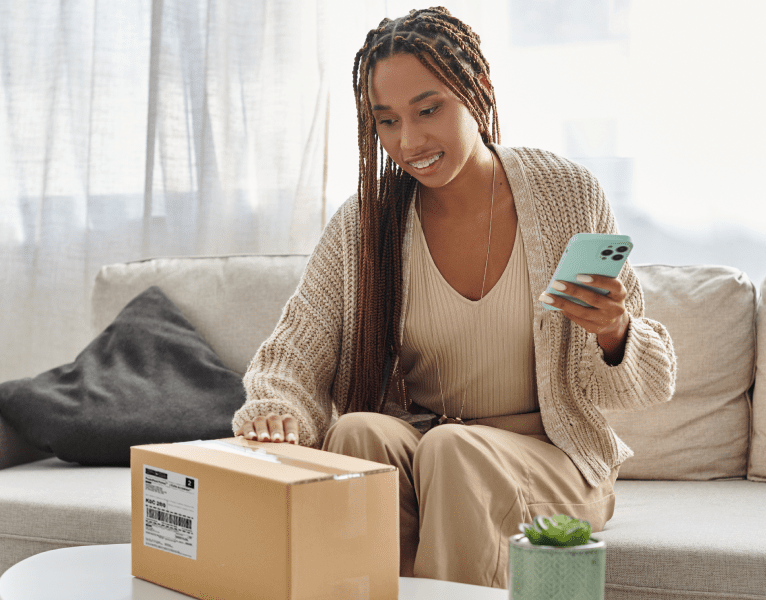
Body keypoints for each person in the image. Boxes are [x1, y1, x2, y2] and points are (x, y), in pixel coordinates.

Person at [231, 6, 677, 589]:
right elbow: (295, 350)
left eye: (428, 109)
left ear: (478, 89)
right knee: (357, 433)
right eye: (385, 120)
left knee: (453, 450)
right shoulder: (368, 225)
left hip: (552, 462)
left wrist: (615, 334)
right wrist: (276, 410)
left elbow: (646, 385)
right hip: (428, 444)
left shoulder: (564, 192)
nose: (408, 141)